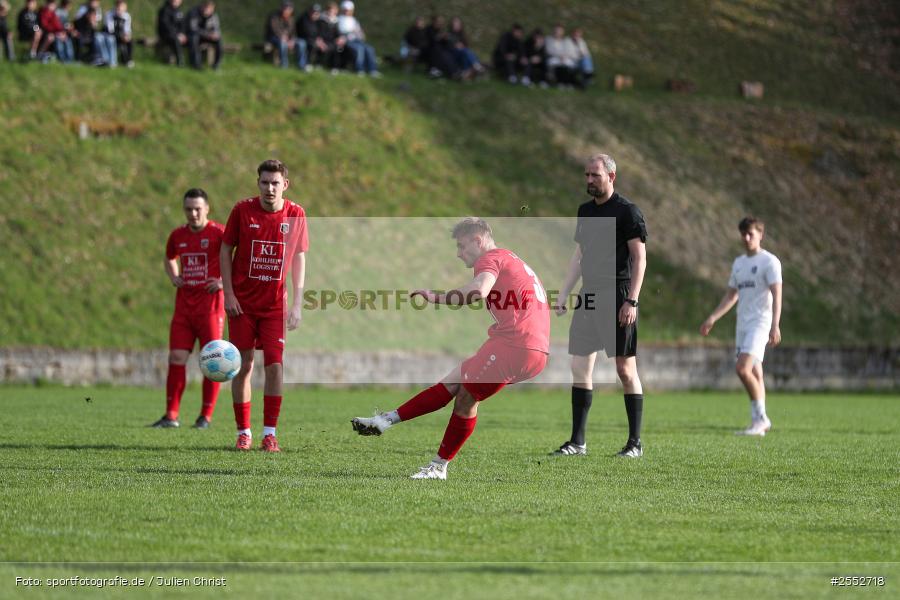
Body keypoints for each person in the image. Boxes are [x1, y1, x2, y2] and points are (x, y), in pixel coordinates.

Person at [351, 218, 551, 480]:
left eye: (461, 246)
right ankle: (383, 421)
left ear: (477, 241)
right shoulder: (511, 258)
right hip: (532, 347)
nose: (458, 254)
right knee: (455, 381)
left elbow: (479, 290)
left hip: (515, 343)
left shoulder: (489, 258)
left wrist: (437, 297)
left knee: (466, 398)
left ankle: (438, 467)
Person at [552, 153, 648, 458]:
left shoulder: (628, 212)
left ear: (611, 176)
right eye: (587, 175)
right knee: (579, 366)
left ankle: (635, 443)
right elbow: (579, 256)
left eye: (595, 175)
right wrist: (565, 292)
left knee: (624, 369)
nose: (589, 180)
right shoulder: (585, 211)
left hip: (618, 295)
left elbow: (639, 258)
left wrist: (631, 300)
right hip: (589, 295)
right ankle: (577, 442)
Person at [220, 159, 308, 452]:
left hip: (274, 307)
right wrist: (229, 295)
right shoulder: (242, 210)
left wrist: (297, 304)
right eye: (264, 182)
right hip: (242, 305)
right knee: (243, 366)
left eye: (275, 183)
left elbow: (298, 257)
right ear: (257, 183)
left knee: (275, 366)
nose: (269, 188)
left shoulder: (295, 214)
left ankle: (269, 434)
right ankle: (243, 432)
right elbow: (225, 249)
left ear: (285, 184)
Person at [151, 189, 226, 430]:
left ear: (207, 209)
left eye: (197, 209)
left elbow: (240, 258)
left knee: (211, 362)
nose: (193, 213)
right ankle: (171, 415)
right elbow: (168, 257)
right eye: (188, 209)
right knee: (176, 358)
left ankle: (205, 416)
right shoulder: (178, 235)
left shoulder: (219, 233)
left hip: (211, 309)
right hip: (184, 308)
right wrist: (174, 276)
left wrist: (224, 282)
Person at [700, 217, 783, 436]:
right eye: (743, 234)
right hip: (743, 325)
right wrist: (713, 317)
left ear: (760, 235)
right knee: (755, 372)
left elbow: (777, 294)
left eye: (751, 234)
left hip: (760, 323)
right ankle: (758, 422)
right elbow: (732, 294)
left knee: (742, 369)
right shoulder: (739, 263)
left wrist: (775, 325)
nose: (746, 238)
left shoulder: (770, 262)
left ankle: (762, 419)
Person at [336, 0, 379, 76]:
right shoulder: (339, 19)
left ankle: (372, 70)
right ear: (342, 9)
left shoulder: (354, 20)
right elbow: (340, 33)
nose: (347, 11)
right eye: (345, 9)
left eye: (349, 10)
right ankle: (359, 69)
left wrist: (361, 34)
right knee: (359, 49)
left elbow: (359, 32)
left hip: (357, 40)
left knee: (369, 49)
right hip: (347, 41)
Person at [187, 0, 221, 70]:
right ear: (202, 7)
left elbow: (217, 29)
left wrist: (215, 35)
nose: (207, 10)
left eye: (210, 8)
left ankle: (216, 65)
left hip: (207, 36)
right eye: (206, 8)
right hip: (193, 35)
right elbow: (193, 28)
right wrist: (208, 34)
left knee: (219, 41)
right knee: (194, 38)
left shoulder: (214, 16)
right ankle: (196, 64)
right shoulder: (194, 13)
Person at [264, 0, 297, 69]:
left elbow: (293, 32)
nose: (286, 10)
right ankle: (284, 65)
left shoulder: (291, 19)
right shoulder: (274, 16)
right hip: (273, 38)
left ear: (292, 10)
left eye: (289, 9)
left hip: (286, 39)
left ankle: (301, 66)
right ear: (281, 8)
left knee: (301, 43)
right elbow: (274, 29)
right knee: (283, 43)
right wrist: (283, 38)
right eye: (285, 8)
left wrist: (292, 40)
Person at [295, 3, 326, 71]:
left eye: (317, 13)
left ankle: (318, 64)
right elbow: (305, 33)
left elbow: (322, 32)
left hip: (314, 40)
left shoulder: (320, 21)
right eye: (313, 12)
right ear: (309, 11)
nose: (314, 14)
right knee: (305, 44)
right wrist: (315, 40)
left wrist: (320, 40)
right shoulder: (303, 19)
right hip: (303, 38)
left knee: (324, 46)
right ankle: (304, 64)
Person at [157, 0, 185, 66]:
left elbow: (183, 25)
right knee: (175, 39)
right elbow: (165, 25)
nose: (176, 1)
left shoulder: (179, 11)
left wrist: (182, 34)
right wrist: (176, 34)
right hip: (165, 34)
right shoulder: (164, 10)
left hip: (177, 35)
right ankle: (180, 61)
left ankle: (194, 63)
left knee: (192, 38)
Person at [104, 0, 131, 67]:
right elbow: (110, 30)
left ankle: (128, 60)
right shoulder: (109, 15)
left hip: (121, 35)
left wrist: (127, 35)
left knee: (130, 41)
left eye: (123, 7)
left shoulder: (126, 16)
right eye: (119, 8)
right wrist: (121, 36)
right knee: (113, 40)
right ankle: (113, 62)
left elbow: (127, 29)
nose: (121, 10)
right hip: (111, 35)